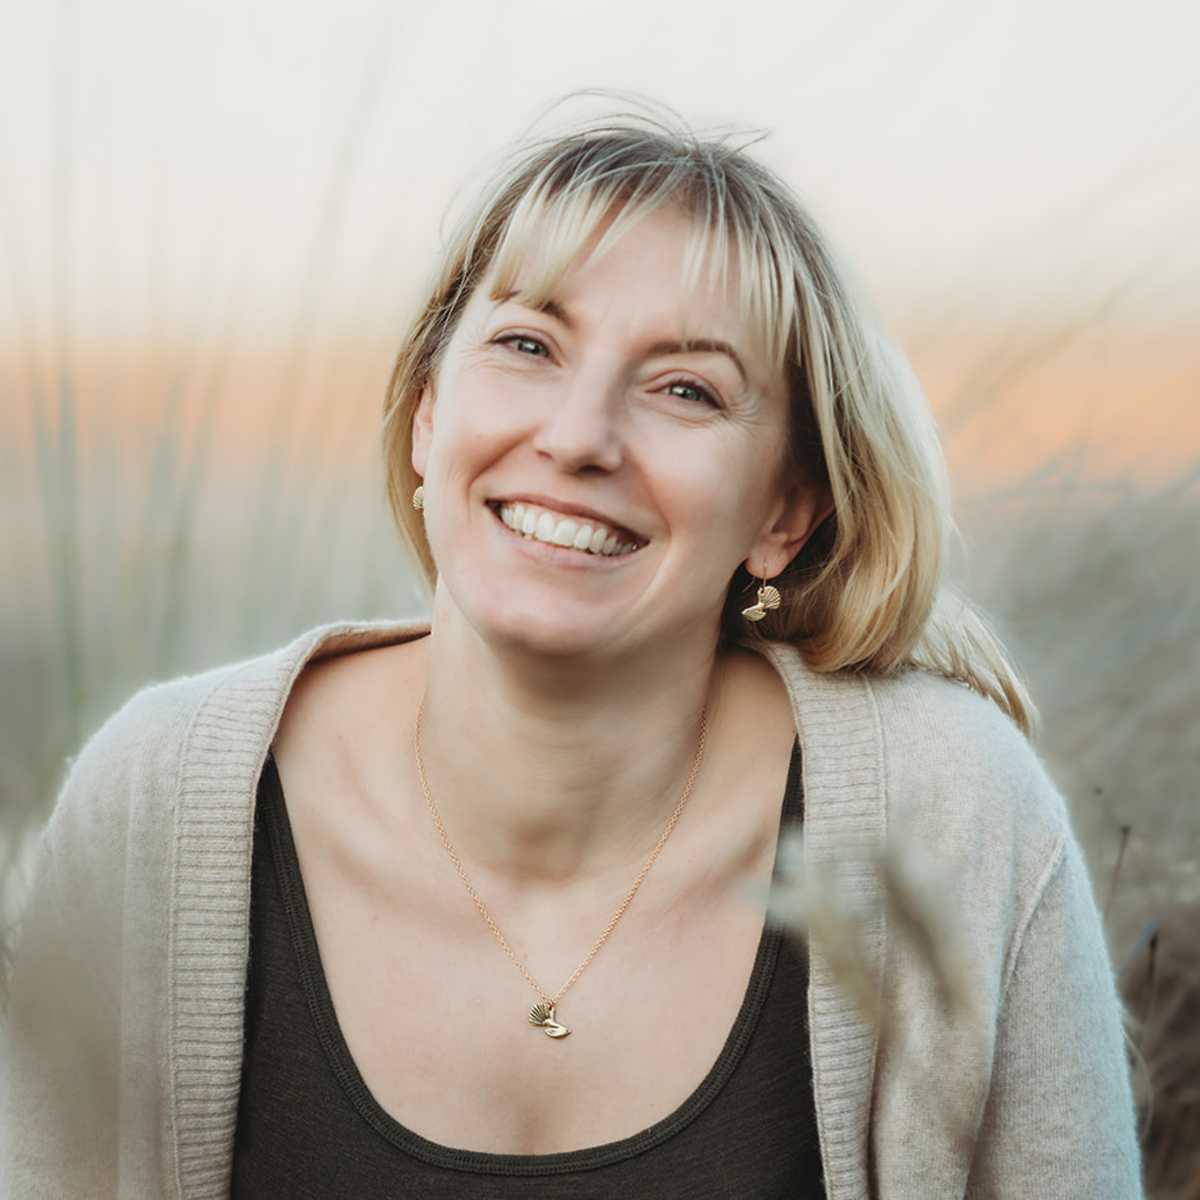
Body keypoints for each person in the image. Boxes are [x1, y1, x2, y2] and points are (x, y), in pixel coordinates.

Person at [1, 104, 1142, 1198]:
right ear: (426, 420)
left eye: (686, 388)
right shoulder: (156, 801)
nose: (579, 436)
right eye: (527, 344)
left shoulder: (956, 821)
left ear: (782, 515)